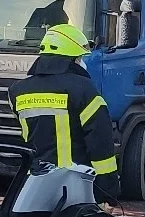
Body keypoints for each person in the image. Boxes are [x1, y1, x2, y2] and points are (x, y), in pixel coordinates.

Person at [10, 21, 120, 201]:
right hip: (75, 184)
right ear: (72, 59)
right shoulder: (84, 89)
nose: (81, 62)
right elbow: (101, 144)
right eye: (80, 58)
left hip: (34, 184)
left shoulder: (17, 91)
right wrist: (107, 193)